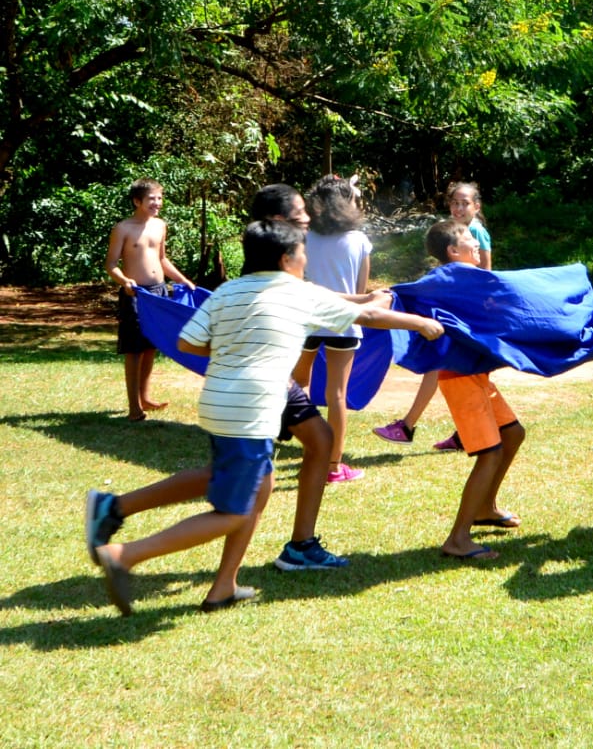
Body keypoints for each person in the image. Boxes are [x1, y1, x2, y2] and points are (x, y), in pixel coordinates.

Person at [85, 219, 445, 615]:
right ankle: (125, 555)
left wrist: (235, 356)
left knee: (248, 487)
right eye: (302, 252)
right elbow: (369, 320)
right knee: (235, 512)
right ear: (286, 258)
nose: (306, 259)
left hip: (219, 404)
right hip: (251, 411)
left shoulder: (228, 291)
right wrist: (421, 323)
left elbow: (188, 340)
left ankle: (222, 587)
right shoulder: (295, 292)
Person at [85, 184, 371, 576]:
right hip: (258, 381)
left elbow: (321, 297)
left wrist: (371, 299)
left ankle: (271, 557)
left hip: (262, 380)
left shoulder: (279, 259)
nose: (307, 217)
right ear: (277, 220)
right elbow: (318, 301)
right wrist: (384, 308)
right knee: (249, 481)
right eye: (299, 211)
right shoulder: (274, 266)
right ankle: (130, 528)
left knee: (308, 447)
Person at [418, 218, 525, 560]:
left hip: (477, 376)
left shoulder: (468, 279)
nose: (476, 243)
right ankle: (458, 539)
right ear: (453, 252)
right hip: (459, 377)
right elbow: (420, 293)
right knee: (489, 452)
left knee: (513, 434)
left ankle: (485, 508)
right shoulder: (444, 278)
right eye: (469, 240)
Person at [374, 180, 490, 451]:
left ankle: (412, 426)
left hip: (465, 319)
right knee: (455, 373)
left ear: (477, 206)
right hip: (456, 318)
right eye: (455, 202)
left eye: (465, 203)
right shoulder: (453, 234)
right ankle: (447, 431)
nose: (459, 207)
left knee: (458, 373)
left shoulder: (475, 235)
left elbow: (486, 275)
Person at [291, 175, 372, 485]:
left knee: (296, 383)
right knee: (336, 394)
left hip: (306, 318)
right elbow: (361, 290)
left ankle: (298, 444)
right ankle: (334, 466)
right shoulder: (359, 240)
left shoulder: (304, 237)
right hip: (344, 320)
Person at [103, 177, 195, 421]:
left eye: (160, 198)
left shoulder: (160, 225)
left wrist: (183, 279)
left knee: (151, 346)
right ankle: (134, 407)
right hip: (136, 295)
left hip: (159, 293)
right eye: (152, 198)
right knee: (133, 350)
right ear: (137, 201)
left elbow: (162, 259)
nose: (157, 203)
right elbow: (111, 264)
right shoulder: (122, 228)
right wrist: (124, 281)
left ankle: (145, 397)